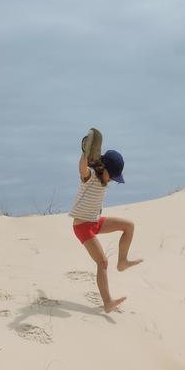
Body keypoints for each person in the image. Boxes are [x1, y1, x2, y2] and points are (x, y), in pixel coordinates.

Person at [70, 127, 142, 312]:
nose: (113, 181)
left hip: (95, 221)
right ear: (105, 169)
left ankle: (122, 261)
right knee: (102, 263)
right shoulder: (91, 176)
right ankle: (108, 303)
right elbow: (83, 169)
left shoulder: (103, 180)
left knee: (129, 226)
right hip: (82, 226)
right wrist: (85, 153)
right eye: (113, 176)